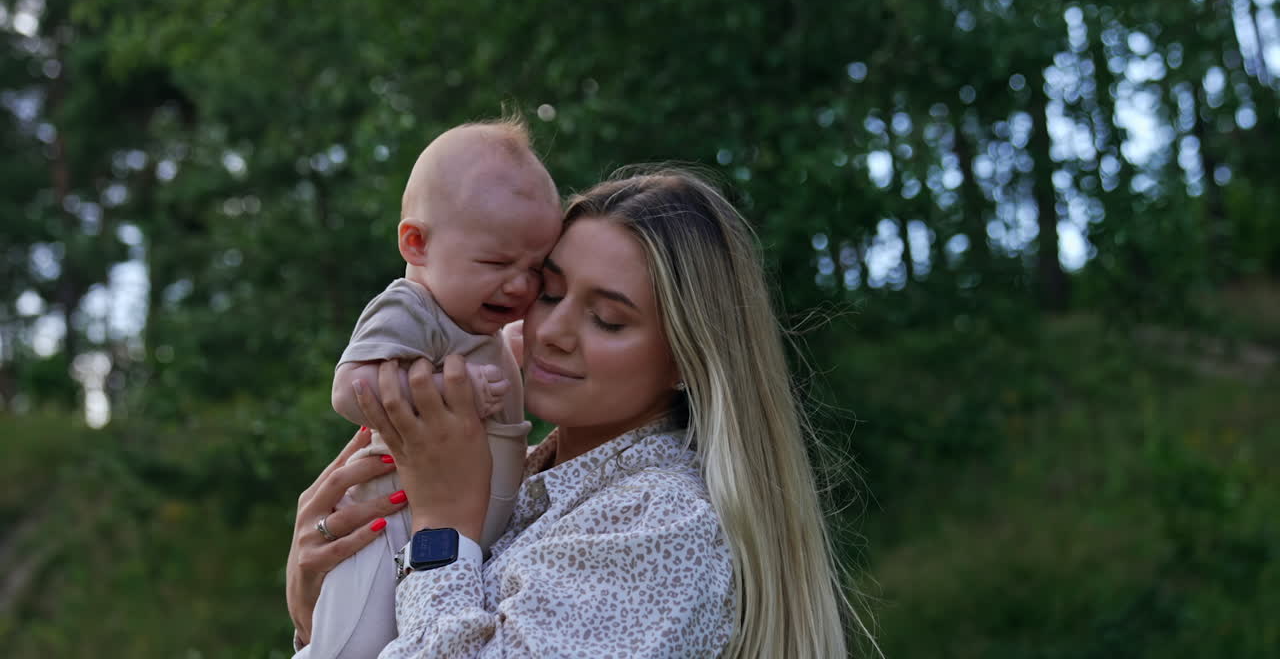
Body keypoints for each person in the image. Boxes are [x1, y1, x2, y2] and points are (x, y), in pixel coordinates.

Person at [288, 166, 877, 657]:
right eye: (548, 291)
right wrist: (323, 611)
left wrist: (442, 531)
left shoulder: (664, 524)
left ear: (687, 359)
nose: (553, 331)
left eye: (608, 319)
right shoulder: (521, 482)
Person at [304, 118, 562, 659]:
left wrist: (514, 351)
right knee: (355, 642)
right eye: (496, 263)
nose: (519, 285)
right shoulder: (409, 308)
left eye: (537, 269)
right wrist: (455, 386)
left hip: (459, 527)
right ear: (416, 243)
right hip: (391, 520)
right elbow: (349, 389)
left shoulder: (477, 323)